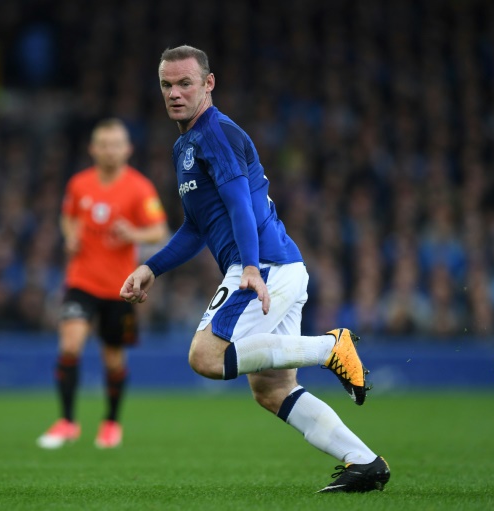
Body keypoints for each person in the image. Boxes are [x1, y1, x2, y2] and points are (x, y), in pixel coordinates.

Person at [120, 46, 390, 493]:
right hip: (278, 265)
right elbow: (196, 226)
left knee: (205, 357)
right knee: (272, 390)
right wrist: (152, 268)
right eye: (167, 84)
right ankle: (365, 462)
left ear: (209, 84)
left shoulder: (215, 133)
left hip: (263, 265)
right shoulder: (185, 145)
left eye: (185, 83)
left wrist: (248, 266)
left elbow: (240, 203)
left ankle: (328, 348)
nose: (174, 93)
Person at [38, 118, 168, 449]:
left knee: (113, 358)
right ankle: (67, 422)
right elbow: (67, 217)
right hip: (81, 280)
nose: (110, 150)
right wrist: (70, 237)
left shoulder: (140, 188)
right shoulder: (79, 184)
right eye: (104, 144)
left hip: (120, 289)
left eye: (116, 144)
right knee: (69, 344)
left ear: (128, 149)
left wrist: (133, 234)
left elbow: (160, 232)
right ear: (93, 149)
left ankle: (110, 423)